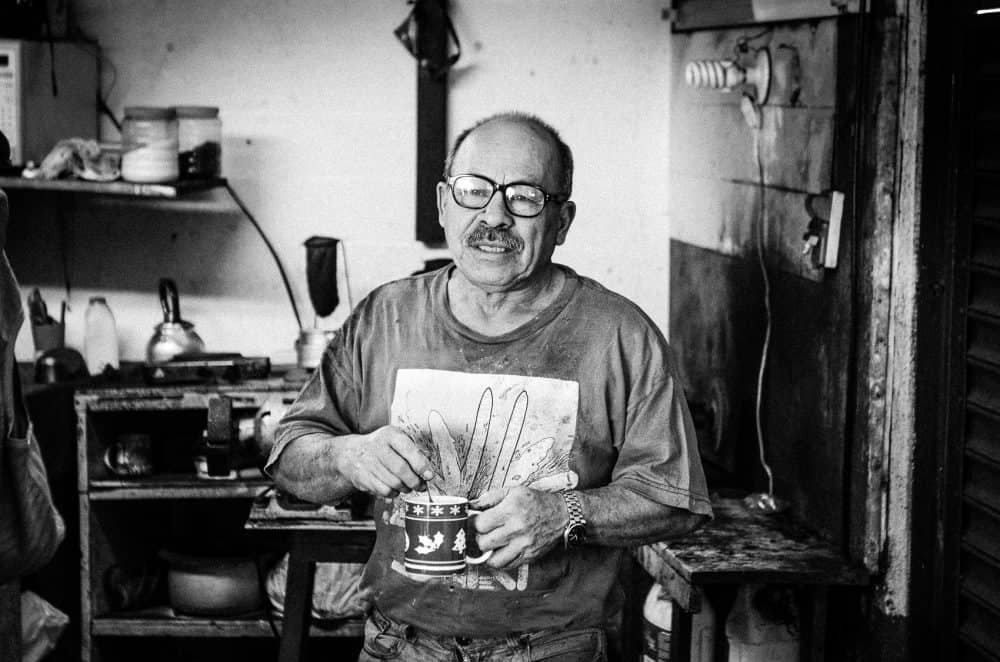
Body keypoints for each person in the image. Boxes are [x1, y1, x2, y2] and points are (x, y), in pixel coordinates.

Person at [267, 111, 712, 661]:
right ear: (443, 204)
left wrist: (566, 514)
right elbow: (289, 456)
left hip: (555, 648)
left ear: (562, 220)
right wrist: (348, 456)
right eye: (473, 191)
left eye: (524, 196)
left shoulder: (618, 334)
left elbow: (678, 500)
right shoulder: (386, 316)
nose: (494, 215)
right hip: (398, 646)